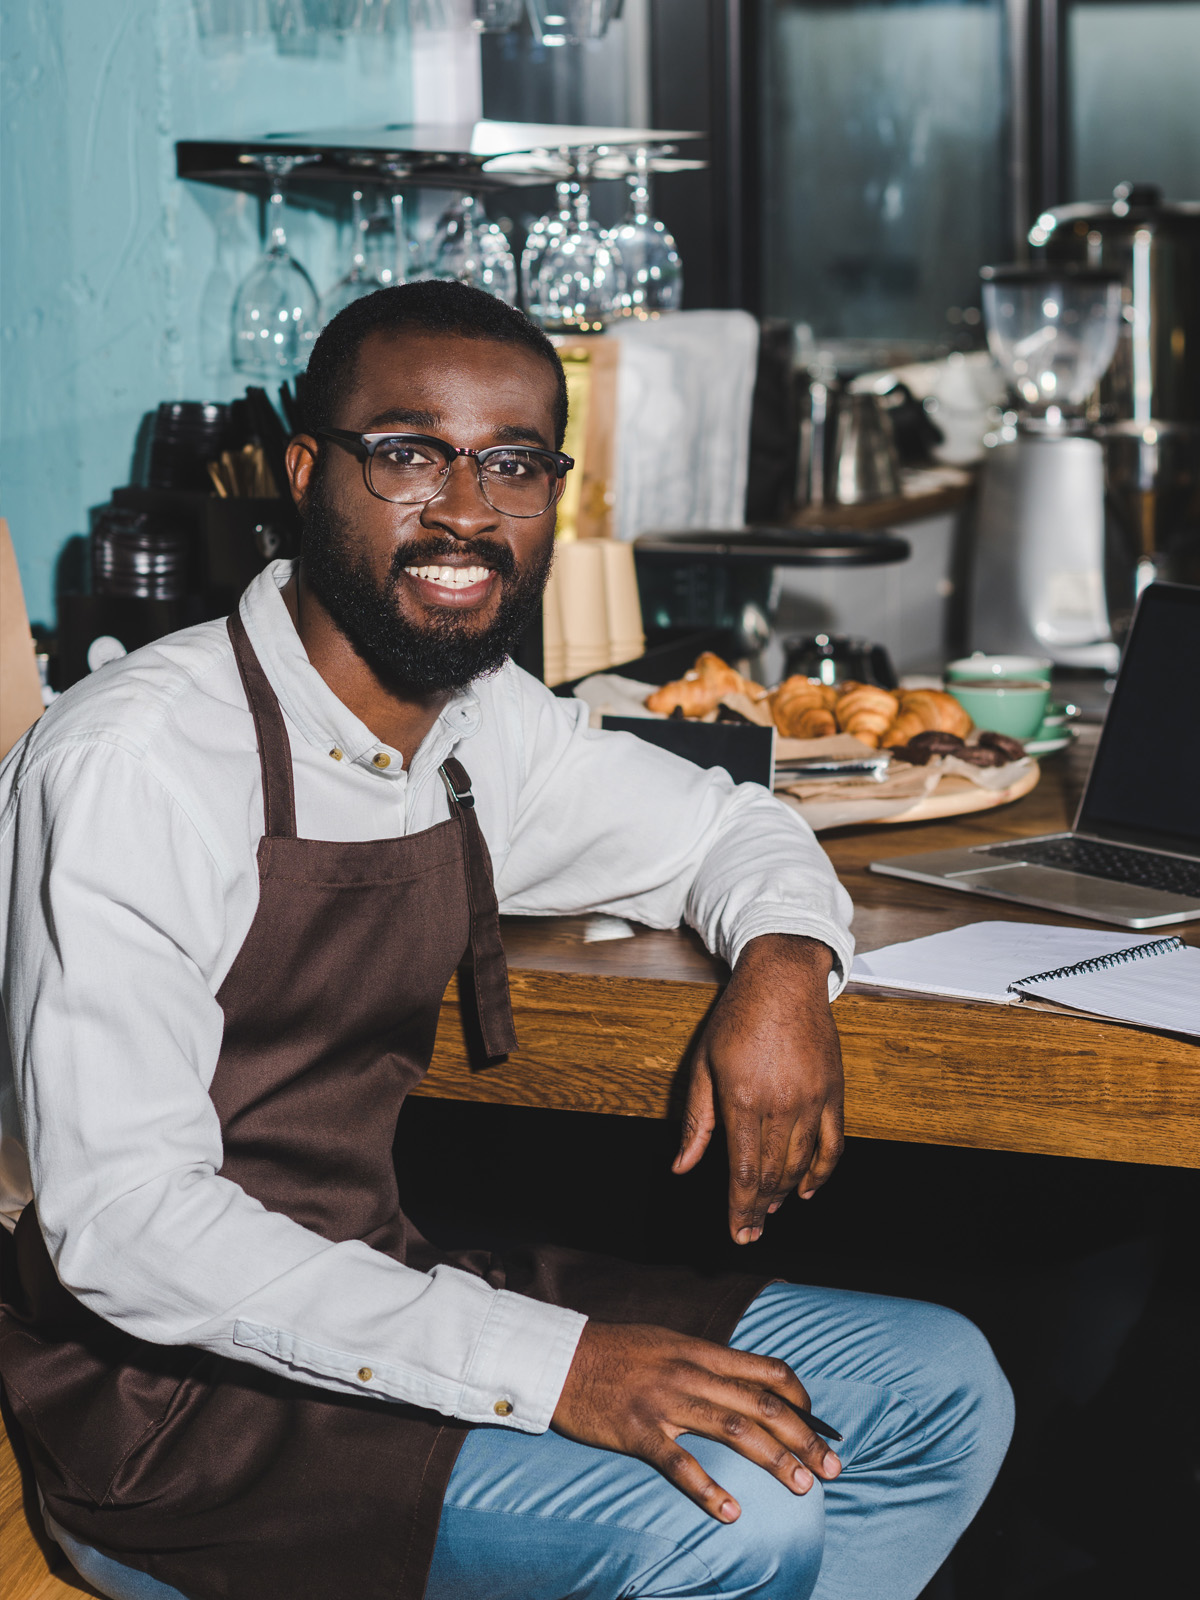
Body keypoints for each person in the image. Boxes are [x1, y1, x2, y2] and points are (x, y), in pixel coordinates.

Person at [0, 282, 1011, 1600]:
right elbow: (129, 1232)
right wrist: (565, 1369)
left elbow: (726, 827)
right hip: (174, 1424)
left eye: (514, 464)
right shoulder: (139, 762)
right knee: (736, 1527)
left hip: (391, 1272)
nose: (467, 508)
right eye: (410, 454)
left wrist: (784, 961)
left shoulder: (478, 715)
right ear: (308, 474)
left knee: (941, 1393)